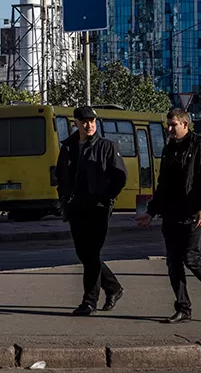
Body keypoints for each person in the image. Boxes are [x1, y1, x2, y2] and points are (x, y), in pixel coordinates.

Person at [136, 108, 201, 323]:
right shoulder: (169, 149)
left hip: (192, 213)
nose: (169, 129)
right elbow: (163, 185)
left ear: (185, 124)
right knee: (173, 262)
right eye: (168, 125)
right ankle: (183, 308)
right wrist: (150, 212)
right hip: (171, 214)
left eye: (173, 125)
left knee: (190, 257)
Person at [55, 105, 127, 316]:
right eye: (84, 122)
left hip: (98, 208)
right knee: (84, 253)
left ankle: (89, 302)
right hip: (75, 207)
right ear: (76, 123)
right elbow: (61, 177)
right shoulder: (68, 148)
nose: (89, 125)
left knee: (92, 253)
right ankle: (113, 287)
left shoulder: (106, 146)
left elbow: (120, 176)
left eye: (92, 121)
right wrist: (64, 201)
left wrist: (107, 196)